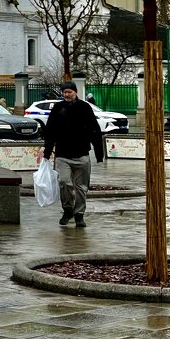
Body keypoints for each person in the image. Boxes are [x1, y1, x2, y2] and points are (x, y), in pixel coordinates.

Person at [43, 80, 104, 228]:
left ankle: (79, 215)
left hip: (82, 154)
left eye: (69, 92)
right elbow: (50, 131)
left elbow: (94, 130)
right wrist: (47, 152)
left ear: (75, 92)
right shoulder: (58, 108)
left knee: (81, 187)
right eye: (64, 92)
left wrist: (99, 153)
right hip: (62, 154)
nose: (66, 94)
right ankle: (68, 209)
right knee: (64, 183)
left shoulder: (84, 107)